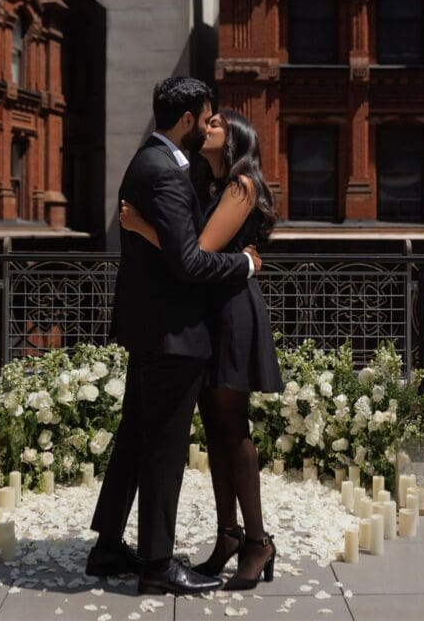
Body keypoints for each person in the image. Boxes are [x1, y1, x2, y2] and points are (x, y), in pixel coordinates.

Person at [86, 78, 262, 597]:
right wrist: (245, 265)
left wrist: (146, 231)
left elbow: (179, 246)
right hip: (171, 332)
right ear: (186, 119)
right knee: (162, 447)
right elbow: (188, 260)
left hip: (155, 327)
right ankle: (157, 565)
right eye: (206, 116)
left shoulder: (156, 162)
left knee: (138, 436)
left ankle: (108, 546)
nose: (209, 124)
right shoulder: (165, 170)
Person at [119, 108, 282, 591]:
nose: (204, 128)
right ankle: (228, 536)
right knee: (215, 429)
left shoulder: (241, 185)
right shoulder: (210, 186)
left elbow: (201, 250)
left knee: (233, 429)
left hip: (232, 311)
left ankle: (257, 541)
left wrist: (143, 229)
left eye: (215, 124)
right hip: (209, 309)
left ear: (235, 139)